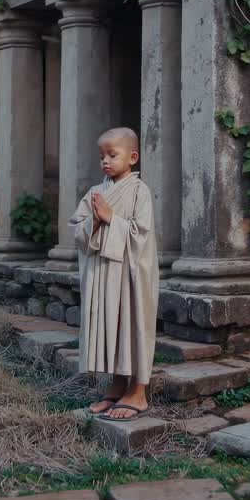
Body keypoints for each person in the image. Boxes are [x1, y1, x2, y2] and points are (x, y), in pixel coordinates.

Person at [69, 127, 159, 421]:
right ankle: (118, 384)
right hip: (104, 274)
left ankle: (139, 392)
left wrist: (110, 219)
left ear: (132, 157)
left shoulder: (139, 191)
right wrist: (93, 223)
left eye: (112, 154)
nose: (105, 161)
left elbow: (141, 234)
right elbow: (77, 230)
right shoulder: (96, 192)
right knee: (113, 327)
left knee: (132, 324)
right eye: (101, 156)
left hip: (131, 275)